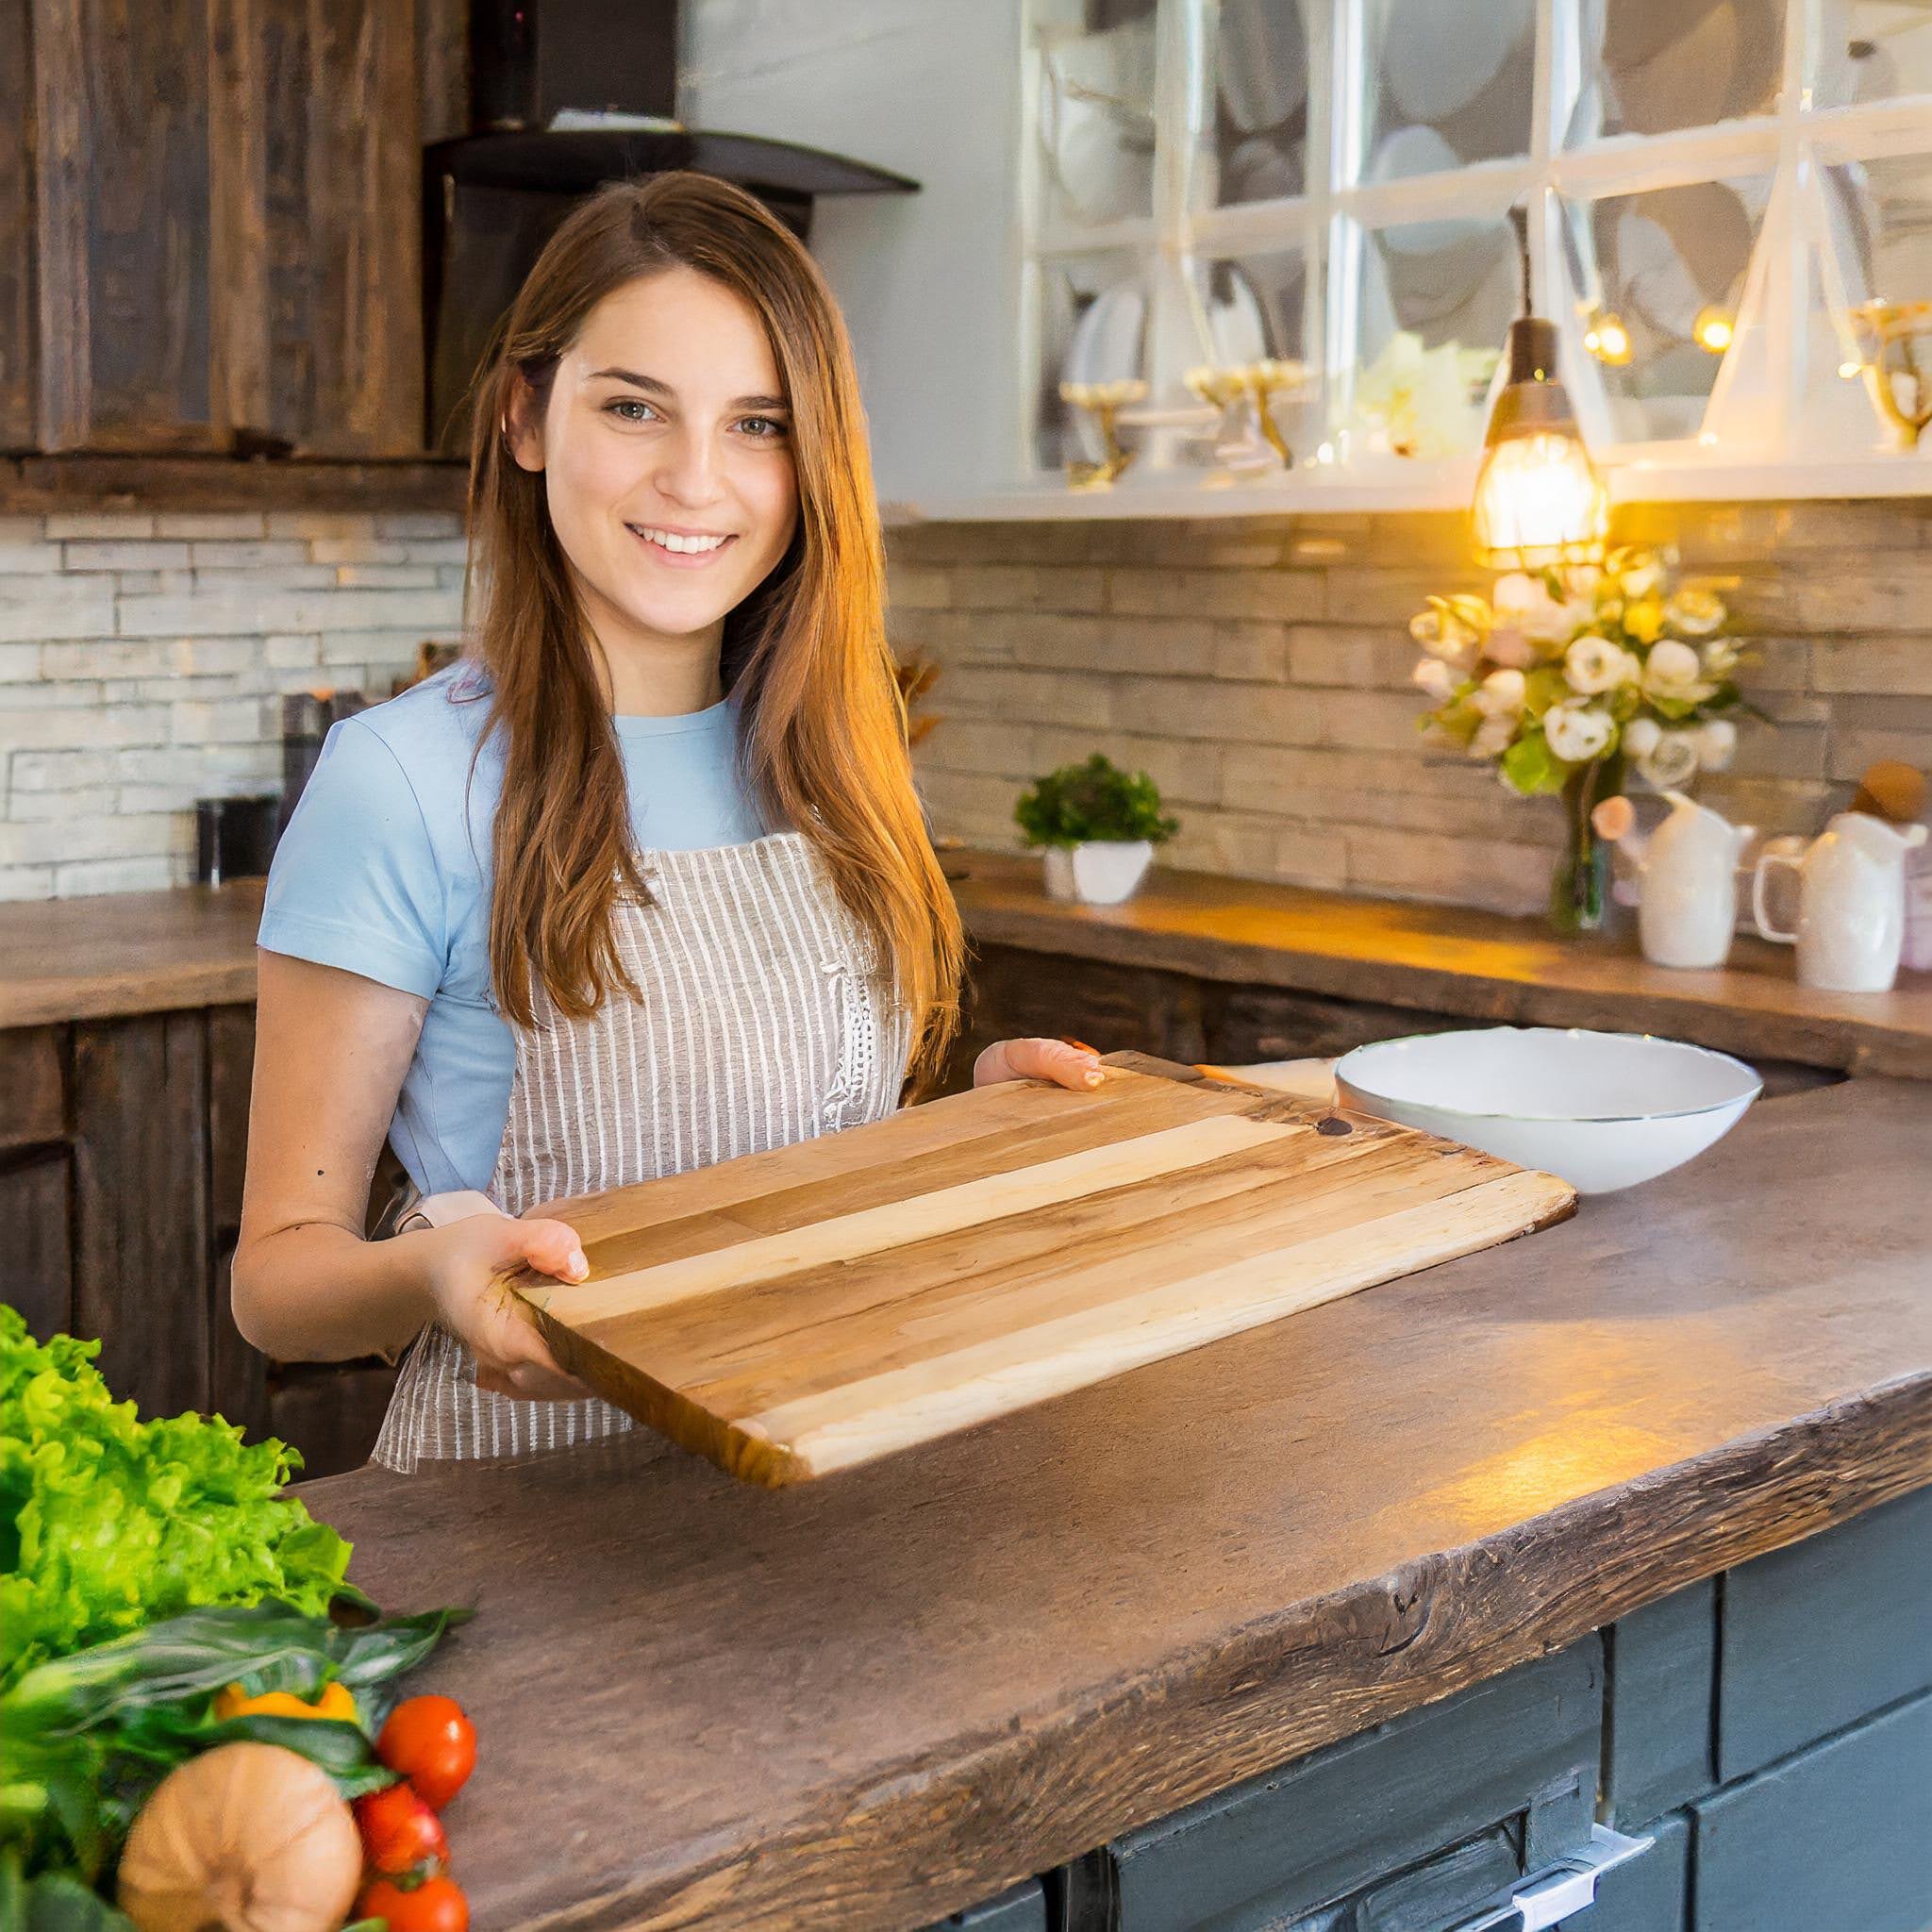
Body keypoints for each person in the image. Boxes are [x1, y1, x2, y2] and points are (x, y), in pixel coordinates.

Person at [232, 174, 1102, 1472]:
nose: (697, 480)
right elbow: (279, 1282)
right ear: (528, 418)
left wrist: (970, 1133)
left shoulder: (842, 768)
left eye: (758, 423)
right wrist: (436, 1268)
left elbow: (806, 1167)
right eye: (635, 407)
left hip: (824, 1473)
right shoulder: (400, 779)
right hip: (530, 1507)